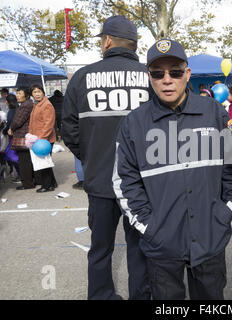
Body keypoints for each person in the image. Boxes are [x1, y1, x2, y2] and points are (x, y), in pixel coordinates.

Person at [112, 39, 232, 300]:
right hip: (161, 245)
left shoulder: (215, 112)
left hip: (210, 238)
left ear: (188, 74)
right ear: (149, 77)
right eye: (158, 73)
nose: (167, 80)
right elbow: (123, 181)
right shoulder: (133, 123)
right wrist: (149, 226)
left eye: (175, 71)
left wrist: (225, 212)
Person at [62, 15, 151, 300]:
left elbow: (69, 130)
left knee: (100, 248)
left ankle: (100, 295)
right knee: (140, 245)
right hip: (141, 182)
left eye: (101, 40)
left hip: (100, 181)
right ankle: (142, 294)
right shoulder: (151, 76)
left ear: (108, 41)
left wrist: (89, 158)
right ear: (134, 44)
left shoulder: (82, 78)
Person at [29, 84, 58, 192]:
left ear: (43, 92)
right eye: (34, 92)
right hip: (38, 138)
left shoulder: (46, 105)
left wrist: (41, 138)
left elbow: (48, 124)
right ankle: (52, 183)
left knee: (44, 163)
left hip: (44, 139)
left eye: (39, 91)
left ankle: (47, 186)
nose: (37, 94)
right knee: (46, 162)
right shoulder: (37, 104)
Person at [9, 87, 37, 190]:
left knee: (24, 161)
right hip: (26, 135)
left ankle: (27, 184)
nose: (17, 95)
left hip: (22, 135)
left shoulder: (26, 105)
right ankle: (31, 180)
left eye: (20, 93)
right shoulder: (28, 104)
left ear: (26, 95)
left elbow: (18, 121)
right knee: (27, 160)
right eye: (17, 93)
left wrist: (11, 128)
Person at [3, 94, 20, 182]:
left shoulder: (11, 111)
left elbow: (10, 125)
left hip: (14, 137)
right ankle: (20, 174)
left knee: (11, 155)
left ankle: (20, 175)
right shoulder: (18, 109)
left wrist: (4, 131)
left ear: (8, 102)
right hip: (18, 136)